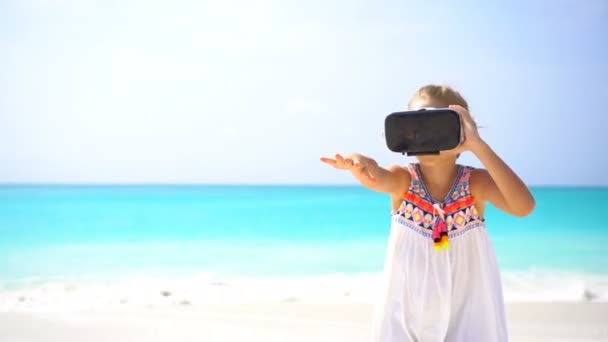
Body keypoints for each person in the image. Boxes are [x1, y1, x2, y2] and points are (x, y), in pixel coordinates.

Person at [320, 85, 535, 341]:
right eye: (414, 125)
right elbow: (375, 176)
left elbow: (523, 206)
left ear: (462, 131)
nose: (422, 135)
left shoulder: (475, 184)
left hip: (466, 311)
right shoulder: (404, 180)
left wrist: (478, 145)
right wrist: (358, 162)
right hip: (406, 313)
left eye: (434, 123)